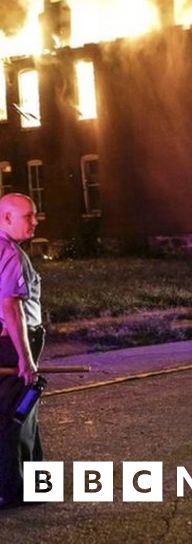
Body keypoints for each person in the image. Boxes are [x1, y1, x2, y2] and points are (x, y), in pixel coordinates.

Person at [0, 194, 42, 510]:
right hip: (12, 344)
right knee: (18, 417)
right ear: (6, 219)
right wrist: (25, 360)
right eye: (28, 216)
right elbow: (11, 307)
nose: (35, 221)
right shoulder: (10, 254)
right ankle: (18, 489)